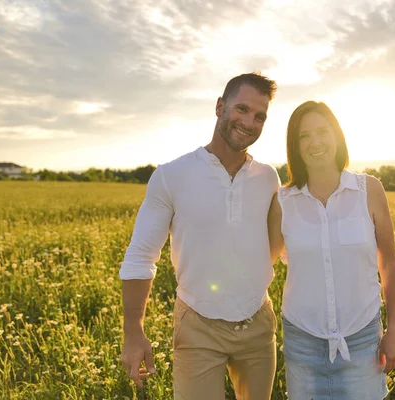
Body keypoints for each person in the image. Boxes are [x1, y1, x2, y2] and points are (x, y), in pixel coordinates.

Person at [120, 72, 280, 400]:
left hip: (258, 323)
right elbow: (141, 255)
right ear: (220, 106)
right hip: (197, 325)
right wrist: (133, 332)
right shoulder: (171, 175)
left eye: (259, 116)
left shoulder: (268, 177)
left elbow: (274, 246)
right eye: (241, 109)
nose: (249, 122)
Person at [267, 101, 395, 399]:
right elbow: (262, 266)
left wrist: (394, 330)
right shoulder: (283, 202)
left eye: (322, 132)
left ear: (337, 136)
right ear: (295, 146)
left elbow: (390, 262)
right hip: (302, 342)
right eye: (304, 136)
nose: (315, 142)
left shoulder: (369, 190)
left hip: (362, 341)